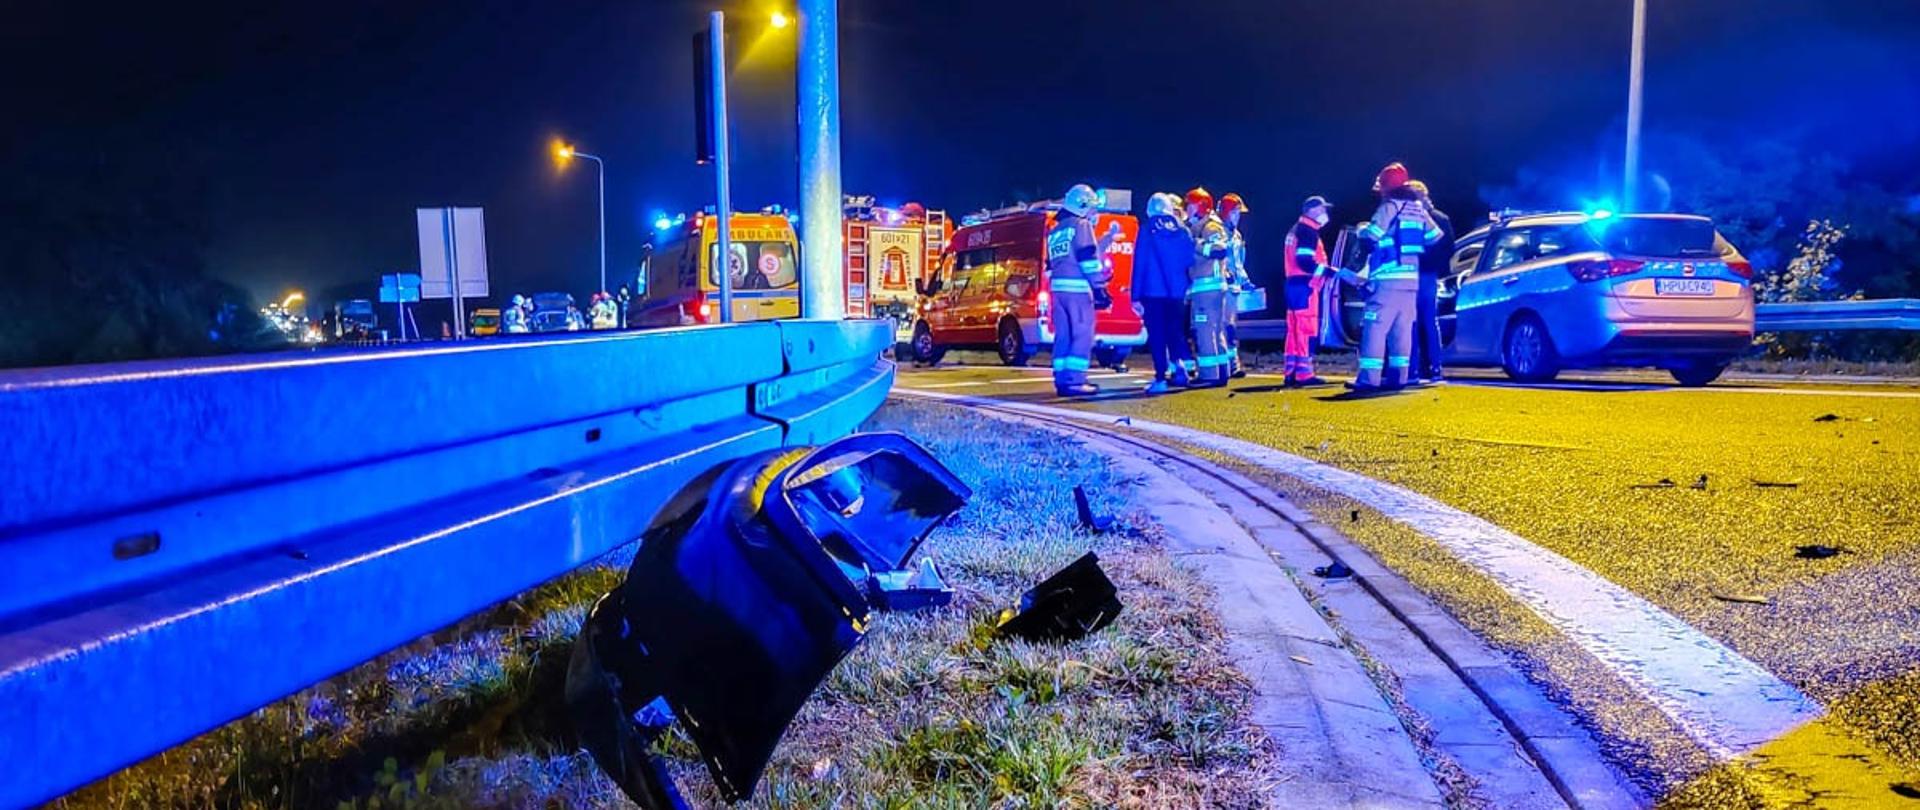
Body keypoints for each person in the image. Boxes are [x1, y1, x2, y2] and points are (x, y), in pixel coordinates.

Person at [1350, 163, 1442, 391]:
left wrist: (1362, 231)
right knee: (1402, 331)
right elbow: (1434, 236)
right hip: (1411, 281)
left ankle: (1368, 380)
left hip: (1387, 279)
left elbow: (1371, 236)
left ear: (1386, 187)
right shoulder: (1417, 208)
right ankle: (1399, 378)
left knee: (1375, 328)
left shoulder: (1389, 206)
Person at [1046, 183, 1123, 396]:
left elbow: (1075, 253)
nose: (1094, 212)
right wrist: (1099, 286)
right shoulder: (1081, 225)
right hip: (1078, 290)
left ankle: (1062, 379)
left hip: (1059, 291)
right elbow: (1088, 257)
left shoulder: (1056, 230)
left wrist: (1107, 237)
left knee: (1064, 336)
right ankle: (1075, 381)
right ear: (1082, 205)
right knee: (1082, 335)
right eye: (1092, 207)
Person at [1133, 192, 1197, 393]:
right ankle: (1180, 369)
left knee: (1157, 335)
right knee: (1175, 330)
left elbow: (1140, 263)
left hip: (1152, 292)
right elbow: (1190, 261)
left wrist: (1134, 296)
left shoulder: (1146, 229)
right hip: (1177, 292)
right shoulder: (1183, 230)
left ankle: (1160, 377)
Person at [1283, 195, 1336, 386]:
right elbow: (1304, 261)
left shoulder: (1296, 229)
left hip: (1292, 284)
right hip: (1305, 285)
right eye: (1322, 210)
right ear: (1312, 211)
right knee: (1306, 329)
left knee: (1294, 330)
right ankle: (1304, 374)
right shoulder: (1308, 231)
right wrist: (1328, 271)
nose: (1325, 214)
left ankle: (1291, 371)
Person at [1405, 180, 1453, 385]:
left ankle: (1413, 369)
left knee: (1412, 323)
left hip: (1414, 274)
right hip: (1429, 275)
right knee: (1429, 322)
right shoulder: (1441, 218)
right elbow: (1449, 248)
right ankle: (1435, 368)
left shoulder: (1411, 217)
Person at [1184, 187, 1233, 387]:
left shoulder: (1211, 227)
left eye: (1190, 205)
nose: (1186, 209)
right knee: (1215, 330)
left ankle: (1209, 375)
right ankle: (1222, 371)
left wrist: (1195, 244)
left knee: (1204, 330)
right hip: (1208, 289)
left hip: (1207, 289)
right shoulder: (1200, 226)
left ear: (1201, 207)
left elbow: (1220, 250)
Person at [1219, 193, 1252, 378]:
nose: (1238, 217)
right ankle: (1227, 365)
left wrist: (1246, 281)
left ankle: (1232, 364)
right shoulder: (1218, 232)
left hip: (1235, 289)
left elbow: (1239, 262)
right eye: (1235, 212)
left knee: (1231, 327)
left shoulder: (1237, 235)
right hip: (1222, 287)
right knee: (1224, 327)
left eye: (1239, 213)